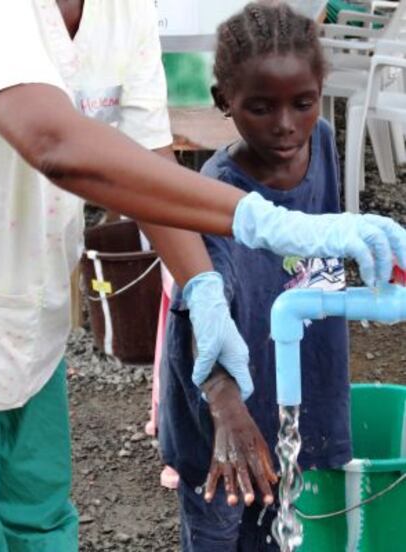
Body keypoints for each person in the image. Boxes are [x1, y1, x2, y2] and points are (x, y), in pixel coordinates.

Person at [0, 1, 405, 551]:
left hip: (27, 318)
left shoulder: (125, 10)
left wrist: (203, 288)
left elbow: (151, 167)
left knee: (38, 521)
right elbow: (54, 143)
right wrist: (260, 218)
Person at [158, 2, 397, 550]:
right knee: (222, 530)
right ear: (224, 101)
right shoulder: (217, 194)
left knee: (283, 528)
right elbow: (200, 307)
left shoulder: (323, 146)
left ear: (320, 94)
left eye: (303, 104)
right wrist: (226, 407)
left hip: (295, 384)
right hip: (226, 414)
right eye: (261, 107)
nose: (286, 125)